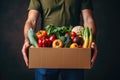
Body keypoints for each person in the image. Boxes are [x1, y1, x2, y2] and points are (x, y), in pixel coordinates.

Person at [22, 0, 97, 80]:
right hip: (46, 49)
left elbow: (88, 19)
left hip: (74, 50)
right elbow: (31, 21)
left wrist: (91, 41)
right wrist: (27, 41)